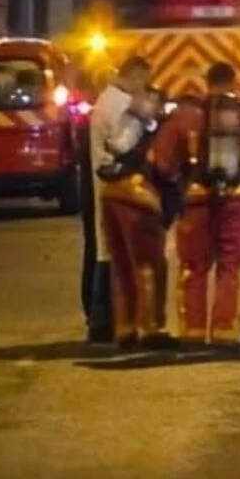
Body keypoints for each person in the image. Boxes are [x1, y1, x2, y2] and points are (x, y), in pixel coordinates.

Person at [151, 60, 240, 345]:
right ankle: (226, 331)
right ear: (233, 82)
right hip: (236, 201)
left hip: (197, 200)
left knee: (194, 267)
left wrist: (180, 184)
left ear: (207, 84)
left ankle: (193, 332)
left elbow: (161, 161)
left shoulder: (185, 117)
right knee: (231, 266)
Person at [98, 86, 173, 349]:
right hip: (138, 194)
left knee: (121, 266)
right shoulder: (156, 129)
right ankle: (151, 327)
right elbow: (164, 166)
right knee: (148, 264)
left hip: (111, 193)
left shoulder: (126, 121)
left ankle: (125, 327)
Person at [82, 54, 151, 342]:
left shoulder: (105, 100)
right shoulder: (121, 103)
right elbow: (134, 133)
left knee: (104, 249)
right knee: (114, 253)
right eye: (143, 81)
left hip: (101, 182)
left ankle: (100, 320)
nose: (144, 87)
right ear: (134, 77)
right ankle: (105, 320)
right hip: (114, 184)